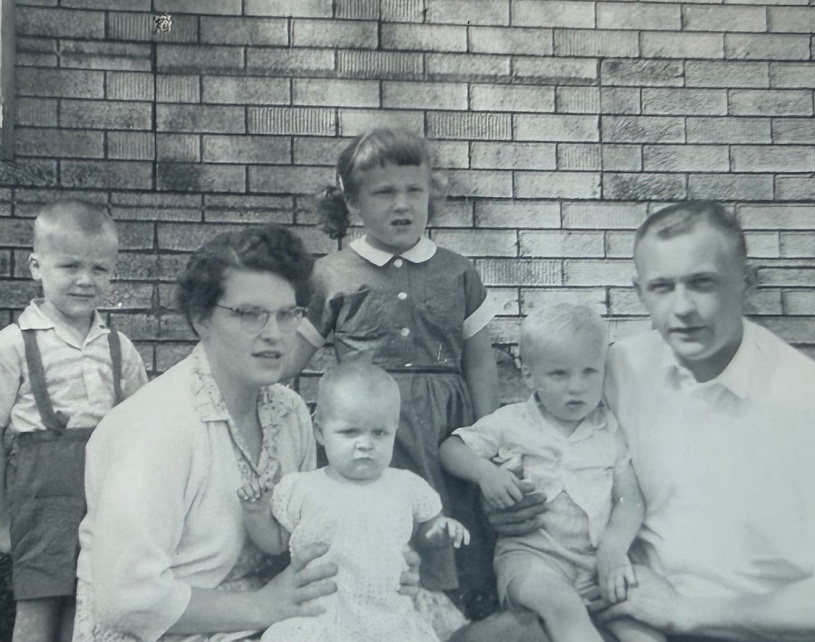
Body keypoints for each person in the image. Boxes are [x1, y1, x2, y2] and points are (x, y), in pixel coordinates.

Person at [457, 200, 815, 642]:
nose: (681, 306)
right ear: (640, 289)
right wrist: (511, 505)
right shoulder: (619, 368)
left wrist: (688, 612)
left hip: (748, 628)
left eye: (702, 282)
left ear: (747, 281)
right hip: (621, 607)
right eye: (662, 286)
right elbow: (543, 443)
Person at [71, 225, 344, 642]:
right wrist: (262, 606)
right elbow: (124, 600)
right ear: (201, 319)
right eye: (250, 313)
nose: (274, 333)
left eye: (288, 314)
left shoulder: (290, 415)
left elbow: (302, 540)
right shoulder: (153, 426)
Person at [285, 128, 501, 621]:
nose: (401, 204)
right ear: (354, 203)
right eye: (384, 193)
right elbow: (292, 358)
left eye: (414, 191)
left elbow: (480, 360)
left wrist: (488, 433)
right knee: (372, 535)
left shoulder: (457, 271)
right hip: (371, 431)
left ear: (432, 195)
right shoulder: (334, 274)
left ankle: (446, 624)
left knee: (447, 529)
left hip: (446, 431)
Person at [440, 304, 661, 642]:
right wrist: (485, 473)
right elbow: (451, 450)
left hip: (595, 560)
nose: (577, 386)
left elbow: (629, 499)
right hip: (531, 561)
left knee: (642, 629)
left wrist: (614, 549)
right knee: (564, 608)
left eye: (590, 371)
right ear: (530, 376)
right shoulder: (512, 423)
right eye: (559, 374)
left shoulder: (609, 429)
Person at [0, 201, 148, 642]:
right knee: (38, 608)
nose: (86, 280)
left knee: (87, 608)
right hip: (39, 504)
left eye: (99, 269)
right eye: (70, 266)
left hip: (103, 499)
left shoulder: (119, 347)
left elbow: (142, 434)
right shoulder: (13, 344)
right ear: (35, 267)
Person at [239, 361, 470, 642]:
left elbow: (424, 533)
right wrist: (255, 512)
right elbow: (275, 543)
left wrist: (439, 531)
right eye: (350, 432)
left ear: (395, 431)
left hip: (387, 618)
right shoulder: (303, 487)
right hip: (320, 616)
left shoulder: (404, 486)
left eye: (379, 433)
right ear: (321, 431)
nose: (365, 444)